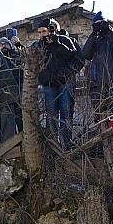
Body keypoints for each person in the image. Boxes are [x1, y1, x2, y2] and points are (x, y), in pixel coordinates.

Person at [35, 18, 81, 149]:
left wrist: (57, 43)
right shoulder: (39, 45)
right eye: (39, 32)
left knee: (66, 113)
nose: (41, 35)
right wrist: (42, 77)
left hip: (65, 82)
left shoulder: (66, 40)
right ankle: (53, 145)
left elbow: (74, 56)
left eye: (43, 31)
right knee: (51, 114)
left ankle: (66, 144)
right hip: (49, 83)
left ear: (51, 29)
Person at [82, 12, 113, 121]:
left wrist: (109, 32)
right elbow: (85, 54)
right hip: (97, 83)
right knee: (98, 116)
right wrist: (93, 34)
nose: (99, 27)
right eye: (96, 24)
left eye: (101, 24)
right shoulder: (95, 40)